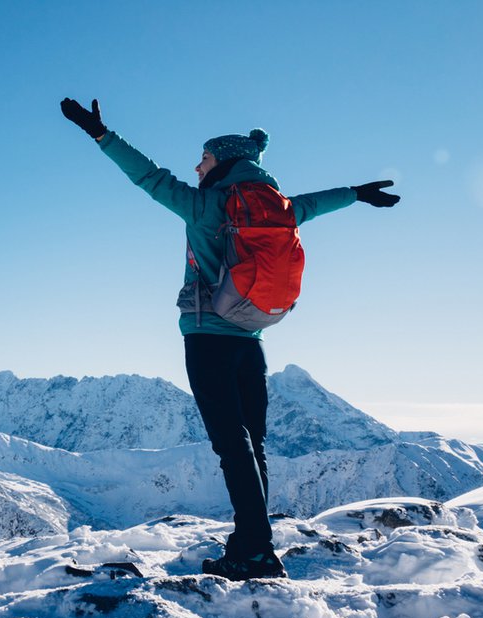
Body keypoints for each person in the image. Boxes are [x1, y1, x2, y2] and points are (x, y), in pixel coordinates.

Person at [60, 97, 400, 581]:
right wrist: (358, 193)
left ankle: (255, 553)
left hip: (207, 337)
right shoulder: (278, 209)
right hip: (251, 338)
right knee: (252, 443)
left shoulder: (203, 205)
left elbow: (147, 175)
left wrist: (100, 133)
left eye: (203, 159)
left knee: (231, 444)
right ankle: (250, 544)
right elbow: (315, 204)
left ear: (220, 163)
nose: (196, 166)